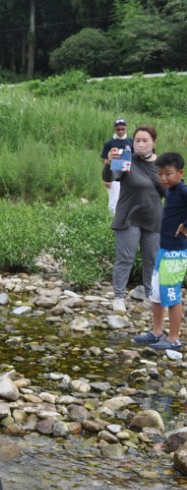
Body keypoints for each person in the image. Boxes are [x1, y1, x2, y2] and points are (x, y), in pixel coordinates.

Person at [104, 124, 163, 314]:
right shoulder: (126, 159)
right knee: (125, 258)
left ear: (154, 142)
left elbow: (173, 190)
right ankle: (119, 298)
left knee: (152, 259)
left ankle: (150, 296)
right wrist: (108, 163)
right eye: (137, 140)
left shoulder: (162, 164)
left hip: (153, 219)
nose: (140, 144)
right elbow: (111, 176)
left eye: (145, 140)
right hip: (129, 217)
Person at [131, 152, 187, 350]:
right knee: (155, 293)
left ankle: (173, 338)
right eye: (160, 174)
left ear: (180, 173)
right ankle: (157, 333)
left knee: (171, 295)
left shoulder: (183, 190)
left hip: (176, 253)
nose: (163, 178)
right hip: (164, 250)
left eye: (168, 174)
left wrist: (185, 225)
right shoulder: (170, 190)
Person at [102, 119, 132, 215]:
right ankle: (112, 219)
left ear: (126, 128)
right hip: (114, 175)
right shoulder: (109, 143)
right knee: (114, 199)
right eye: (118, 129)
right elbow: (105, 160)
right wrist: (106, 179)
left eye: (123, 129)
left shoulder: (131, 142)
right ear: (114, 129)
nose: (120, 131)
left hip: (128, 175)